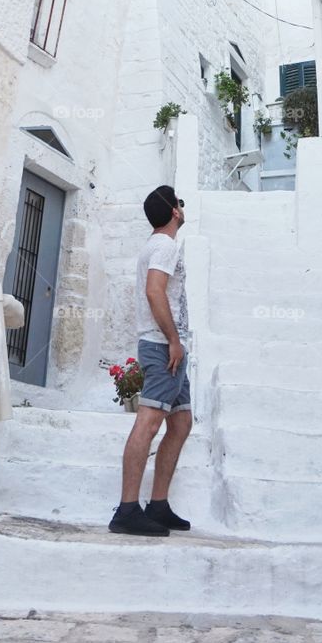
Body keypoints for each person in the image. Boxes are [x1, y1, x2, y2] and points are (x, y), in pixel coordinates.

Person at [108, 184, 192, 536]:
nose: (182, 208)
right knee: (149, 423)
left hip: (170, 348)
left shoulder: (154, 246)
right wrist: (173, 340)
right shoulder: (165, 246)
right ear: (174, 211)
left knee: (181, 422)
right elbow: (154, 291)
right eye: (180, 204)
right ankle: (127, 510)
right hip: (162, 348)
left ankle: (158, 505)